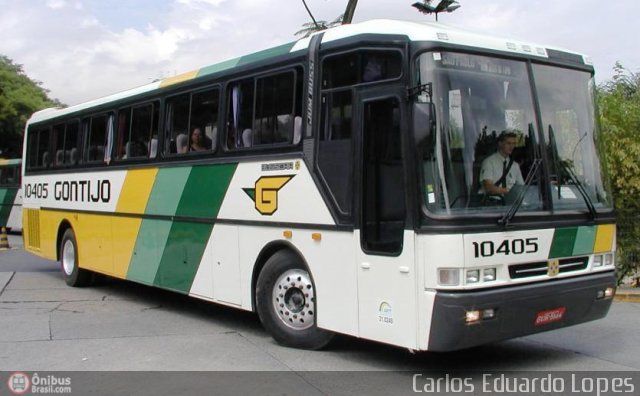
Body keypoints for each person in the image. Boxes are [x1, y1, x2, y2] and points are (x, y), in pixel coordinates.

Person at [479, 131, 524, 198]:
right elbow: (488, 187)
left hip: (512, 205)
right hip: (493, 204)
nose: (511, 146)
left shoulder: (515, 165)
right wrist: (507, 191)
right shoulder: (489, 162)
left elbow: (521, 188)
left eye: (513, 144)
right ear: (500, 143)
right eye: (508, 143)